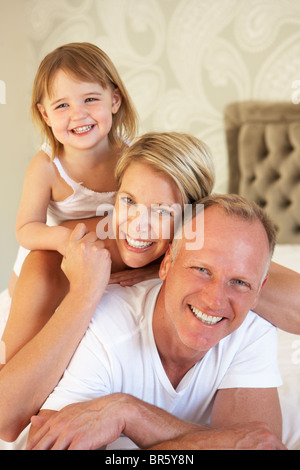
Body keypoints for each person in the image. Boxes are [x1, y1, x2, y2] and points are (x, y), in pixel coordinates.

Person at [0, 131, 215, 443]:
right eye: (128, 201)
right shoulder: (50, 261)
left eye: (162, 211)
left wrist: (161, 268)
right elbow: (6, 420)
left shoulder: (193, 251)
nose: (138, 225)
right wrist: (85, 292)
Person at [26, 194, 285, 450]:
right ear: (167, 263)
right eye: (202, 270)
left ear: (258, 291)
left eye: (240, 282)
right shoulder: (106, 321)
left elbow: (258, 447)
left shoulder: (253, 331)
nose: (215, 301)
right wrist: (218, 442)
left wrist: (130, 414)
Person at [7, 41, 138, 301]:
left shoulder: (133, 157)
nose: (78, 115)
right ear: (46, 115)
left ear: (114, 100)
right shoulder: (47, 166)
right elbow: (26, 227)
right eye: (62, 106)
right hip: (51, 256)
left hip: (101, 257)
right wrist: (64, 240)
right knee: (28, 306)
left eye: (90, 99)